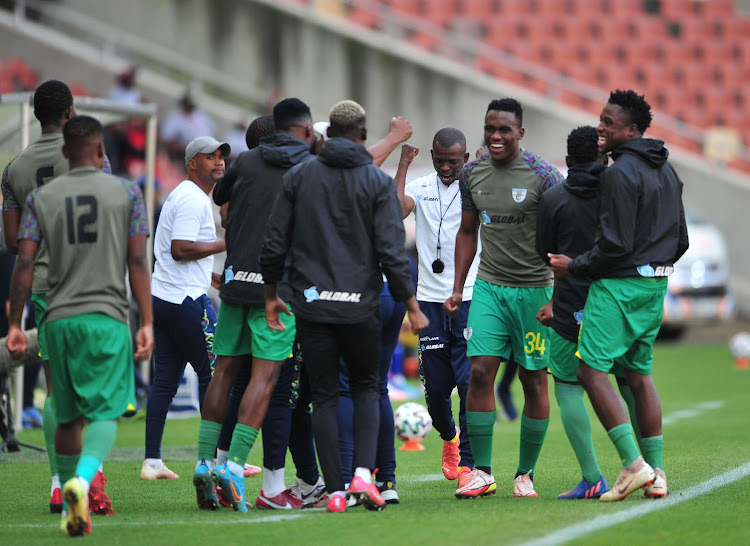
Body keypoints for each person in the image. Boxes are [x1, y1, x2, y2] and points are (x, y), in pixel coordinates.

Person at [260, 99, 429, 513]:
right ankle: (365, 478)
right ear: (364, 136)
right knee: (369, 387)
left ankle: (335, 489)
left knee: (324, 395)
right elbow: (392, 251)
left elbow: (274, 242)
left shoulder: (300, 176)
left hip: (314, 306)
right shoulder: (373, 181)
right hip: (360, 306)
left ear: (326, 135)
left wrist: (270, 295)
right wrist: (412, 304)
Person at [5, 115, 153, 537]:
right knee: (105, 411)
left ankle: (65, 491)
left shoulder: (41, 198)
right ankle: (82, 482)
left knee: (65, 411)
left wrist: (15, 322)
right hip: (105, 316)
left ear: (66, 152)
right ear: (101, 150)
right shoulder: (126, 191)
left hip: (56, 316)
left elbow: (24, 261)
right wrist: (147, 321)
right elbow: (138, 261)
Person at [549, 90, 689, 501]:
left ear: (631, 129)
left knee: (591, 371)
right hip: (654, 286)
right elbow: (680, 240)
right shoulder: (668, 170)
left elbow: (613, 245)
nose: (601, 128)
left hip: (620, 286)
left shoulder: (618, 173)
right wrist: (653, 266)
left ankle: (633, 466)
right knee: (638, 376)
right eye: (600, 119)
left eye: (608, 122)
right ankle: (657, 472)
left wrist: (572, 266)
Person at [193, 98, 315, 513]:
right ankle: (237, 468)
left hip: (234, 282)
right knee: (265, 380)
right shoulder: (311, 167)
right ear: (305, 128)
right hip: (277, 293)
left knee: (224, 373)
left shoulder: (243, 162)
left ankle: (206, 462)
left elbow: (221, 200)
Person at [1, 80, 114, 515]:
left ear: (35, 115)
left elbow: (12, 241)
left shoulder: (15, 168)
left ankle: (57, 483)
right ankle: (89, 478)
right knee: (98, 388)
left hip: (45, 286)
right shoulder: (90, 160)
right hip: (93, 285)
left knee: (56, 388)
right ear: (69, 113)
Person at [445, 98, 564, 499]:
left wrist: (559, 293)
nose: (495, 136)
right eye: (490, 129)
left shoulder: (545, 176)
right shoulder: (470, 174)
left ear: (520, 133)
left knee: (533, 378)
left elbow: (565, 237)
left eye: (504, 130)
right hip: (490, 288)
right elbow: (466, 231)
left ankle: (525, 473)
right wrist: (460, 287)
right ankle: (481, 471)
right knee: (479, 373)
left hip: (534, 292)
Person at [393, 129, 479, 490]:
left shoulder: (476, 186)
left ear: (465, 158)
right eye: (440, 159)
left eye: (453, 161)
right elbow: (395, 211)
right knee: (436, 389)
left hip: (471, 296)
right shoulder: (422, 183)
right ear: (432, 154)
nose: (446, 167)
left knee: (470, 383)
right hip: (428, 298)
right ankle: (449, 437)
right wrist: (402, 165)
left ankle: (470, 465)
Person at [140, 136, 228, 480]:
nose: (218, 161)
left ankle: (152, 461)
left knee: (164, 382)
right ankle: (214, 461)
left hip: (165, 297)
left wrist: (210, 274)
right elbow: (180, 248)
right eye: (210, 157)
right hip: (186, 300)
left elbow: (176, 253)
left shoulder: (184, 194)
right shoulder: (193, 199)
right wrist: (225, 242)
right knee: (217, 375)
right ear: (193, 163)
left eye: (221, 156)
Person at [536, 125, 612, 499]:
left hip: (568, 305)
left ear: (566, 161)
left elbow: (544, 253)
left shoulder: (553, 198)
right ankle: (651, 468)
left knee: (568, 386)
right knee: (632, 379)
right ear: (602, 156)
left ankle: (593, 477)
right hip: (614, 300)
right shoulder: (617, 191)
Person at [161, 93, 215, 162]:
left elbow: (212, 131)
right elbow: (167, 137)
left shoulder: (200, 115)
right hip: (184, 154)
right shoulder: (176, 118)